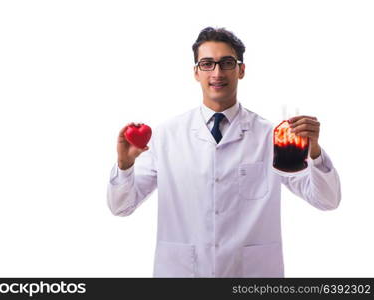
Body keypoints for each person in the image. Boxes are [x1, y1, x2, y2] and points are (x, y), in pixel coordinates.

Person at [107, 27, 341, 277]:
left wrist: (314, 152)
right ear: (196, 72)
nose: (217, 72)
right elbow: (121, 207)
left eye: (227, 63)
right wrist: (124, 166)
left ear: (241, 70)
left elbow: (326, 200)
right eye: (207, 63)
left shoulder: (272, 137)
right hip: (182, 271)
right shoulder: (165, 136)